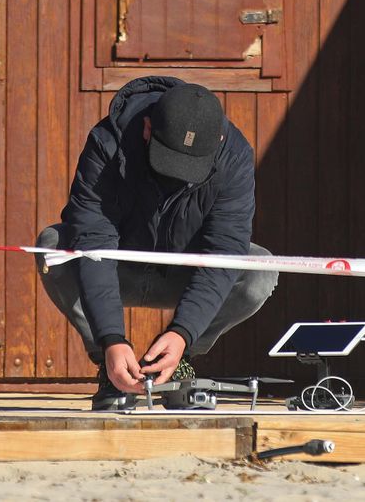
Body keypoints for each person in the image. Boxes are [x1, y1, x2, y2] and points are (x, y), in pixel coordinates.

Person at [36, 76, 278, 411]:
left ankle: (178, 359)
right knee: (53, 245)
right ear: (147, 129)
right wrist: (110, 338)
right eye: (170, 160)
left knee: (259, 270)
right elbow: (94, 245)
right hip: (119, 270)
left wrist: (183, 333)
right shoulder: (107, 144)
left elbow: (224, 252)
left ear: (219, 139)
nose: (179, 175)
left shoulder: (234, 158)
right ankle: (112, 366)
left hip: (184, 275)